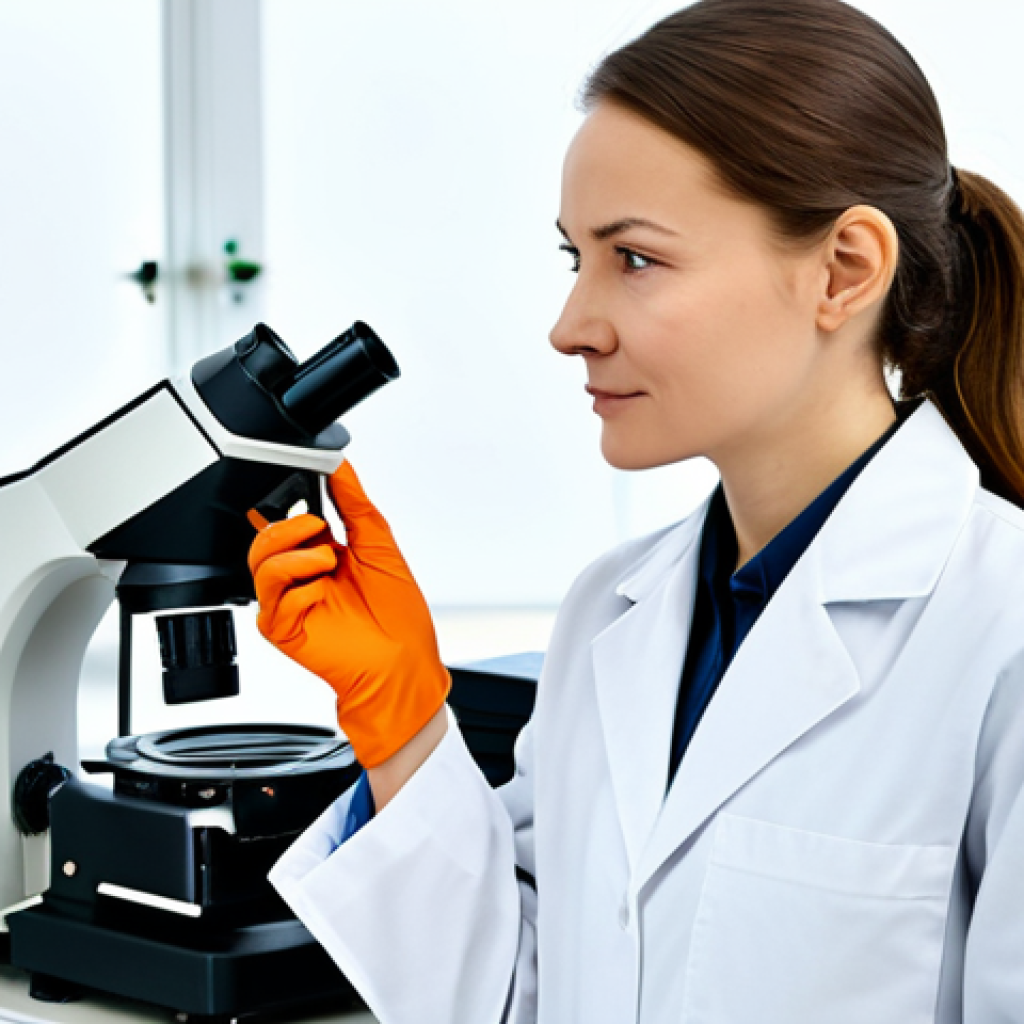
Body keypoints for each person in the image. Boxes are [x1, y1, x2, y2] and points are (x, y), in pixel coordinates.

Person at [248, 1, 1024, 1021]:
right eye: (577, 258)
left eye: (637, 259)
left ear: (844, 269)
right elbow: (520, 998)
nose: (570, 326)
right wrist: (400, 721)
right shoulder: (607, 615)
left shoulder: (999, 626)